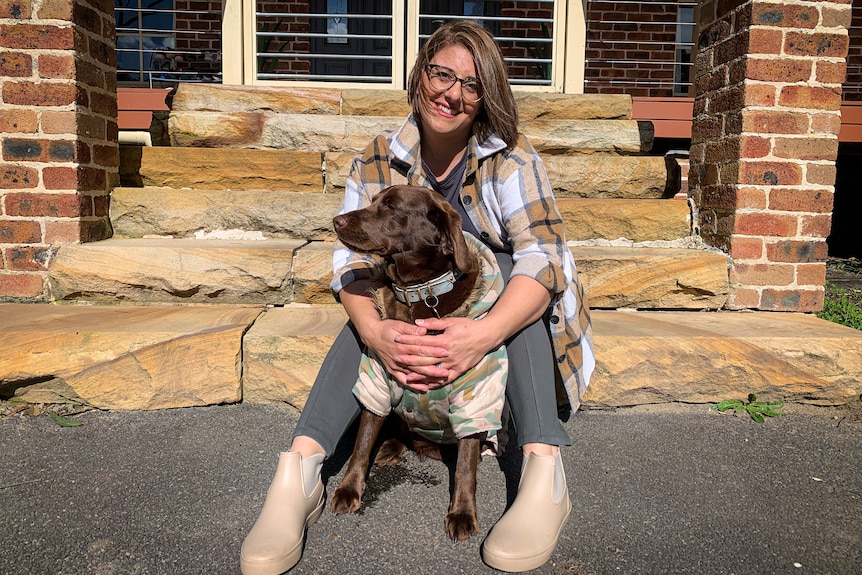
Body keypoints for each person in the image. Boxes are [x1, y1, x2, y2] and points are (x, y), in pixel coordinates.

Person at [240, 20, 595, 575]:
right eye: (441, 73)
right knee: (373, 297)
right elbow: (351, 265)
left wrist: (481, 333)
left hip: (504, 325)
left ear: (486, 98)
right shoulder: (381, 156)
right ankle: (299, 473)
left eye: (471, 85)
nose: (452, 93)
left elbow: (545, 259)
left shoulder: (511, 159)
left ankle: (543, 471)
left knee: (506, 267)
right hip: (416, 304)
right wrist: (378, 334)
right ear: (419, 75)